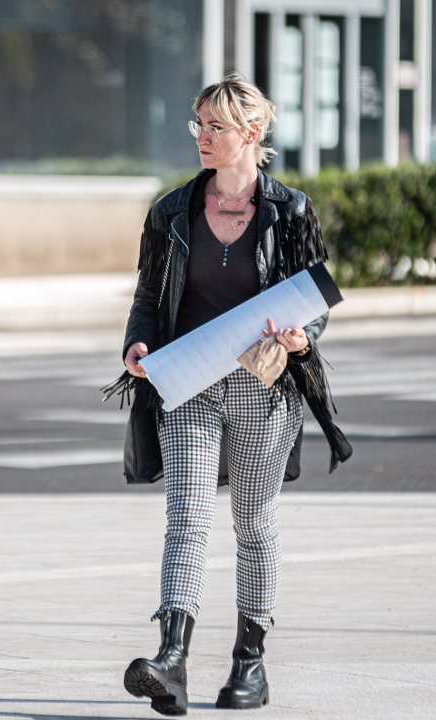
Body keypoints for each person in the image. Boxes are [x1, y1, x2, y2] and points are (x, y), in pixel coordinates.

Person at [118, 72, 350, 715]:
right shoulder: (172, 211)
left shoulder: (291, 209)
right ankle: (171, 659)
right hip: (187, 382)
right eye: (198, 124)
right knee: (186, 518)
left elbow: (316, 297)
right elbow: (146, 297)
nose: (202, 136)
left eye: (214, 126)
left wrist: (305, 335)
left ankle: (250, 663)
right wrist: (138, 346)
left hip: (263, 387)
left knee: (253, 522)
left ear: (251, 133)